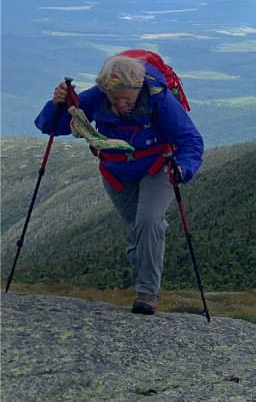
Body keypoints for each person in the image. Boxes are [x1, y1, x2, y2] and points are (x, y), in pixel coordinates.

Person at [34, 54, 203, 315]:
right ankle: (143, 287)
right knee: (137, 229)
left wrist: (183, 168)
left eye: (127, 98)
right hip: (117, 174)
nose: (122, 104)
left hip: (159, 167)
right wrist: (57, 104)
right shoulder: (99, 94)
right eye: (115, 99)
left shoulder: (157, 96)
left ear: (138, 87)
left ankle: (147, 294)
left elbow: (190, 139)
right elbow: (52, 126)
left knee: (149, 221)